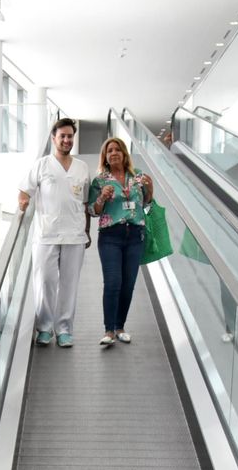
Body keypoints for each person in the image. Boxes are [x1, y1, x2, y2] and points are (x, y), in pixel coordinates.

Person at [17, 118, 90, 348]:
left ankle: (65, 329)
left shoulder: (82, 167)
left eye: (70, 136)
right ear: (53, 138)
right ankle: (45, 328)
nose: (67, 140)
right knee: (46, 282)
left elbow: (85, 201)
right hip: (46, 234)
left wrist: (87, 231)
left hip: (75, 235)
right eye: (63, 136)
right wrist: (23, 202)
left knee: (69, 284)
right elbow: (24, 191)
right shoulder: (41, 165)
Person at [87, 137, 154, 345]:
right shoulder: (100, 181)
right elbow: (92, 210)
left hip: (135, 236)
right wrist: (102, 199)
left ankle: (120, 326)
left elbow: (146, 204)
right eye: (109, 151)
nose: (113, 153)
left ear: (124, 154)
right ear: (105, 157)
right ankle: (108, 330)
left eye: (117, 149)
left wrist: (150, 188)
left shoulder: (138, 176)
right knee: (113, 282)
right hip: (110, 237)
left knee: (128, 284)